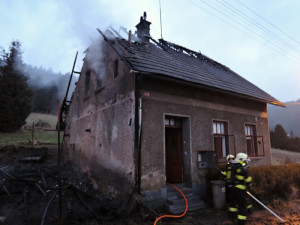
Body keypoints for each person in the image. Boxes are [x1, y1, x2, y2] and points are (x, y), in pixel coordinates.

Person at [233, 152, 252, 225]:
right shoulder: (244, 169)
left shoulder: (234, 167)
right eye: (245, 160)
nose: (246, 162)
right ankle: (241, 222)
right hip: (240, 191)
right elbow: (248, 181)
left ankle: (234, 218)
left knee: (236, 205)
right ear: (242, 160)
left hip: (233, 190)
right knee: (242, 207)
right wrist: (250, 185)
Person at [224, 154, 238, 219]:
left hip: (232, 185)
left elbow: (227, 175)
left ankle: (232, 214)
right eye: (230, 159)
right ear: (228, 160)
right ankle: (232, 214)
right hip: (231, 185)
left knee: (232, 200)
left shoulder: (230, 166)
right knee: (231, 200)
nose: (231, 160)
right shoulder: (232, 166)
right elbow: (226, 174)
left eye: (232, 159)